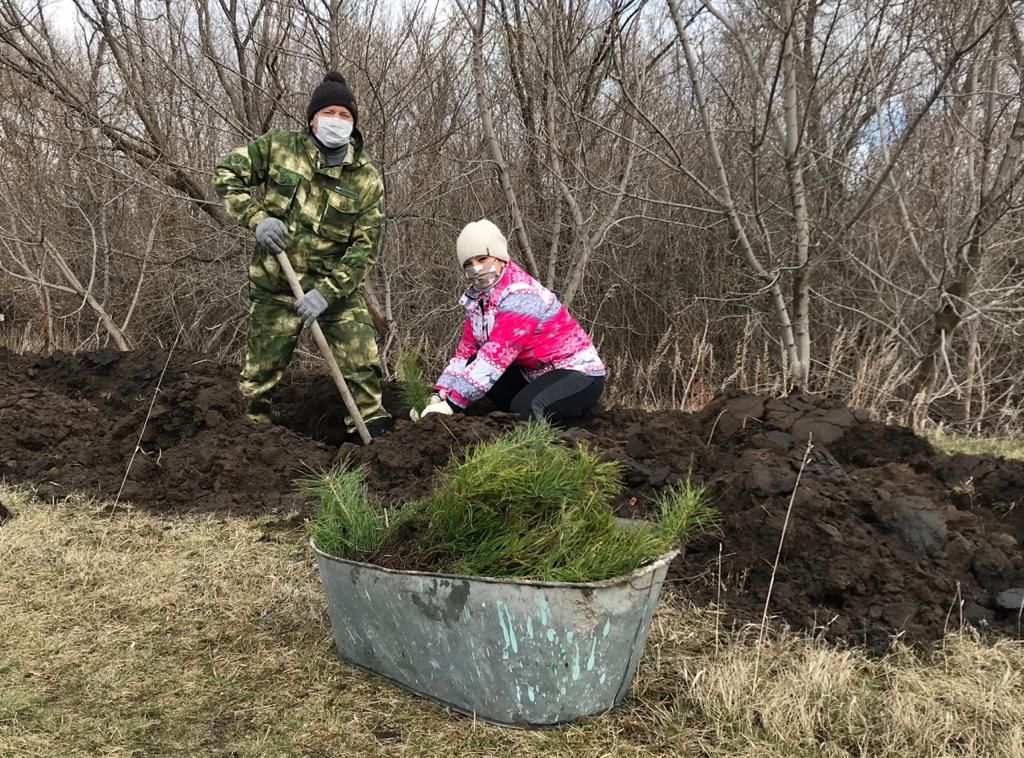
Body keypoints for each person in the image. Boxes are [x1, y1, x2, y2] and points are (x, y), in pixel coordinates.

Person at [213, 72, 391, 441]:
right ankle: (250, 444)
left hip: (335, 294)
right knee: (258, 380)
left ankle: (373, 445)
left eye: (345, 115)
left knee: (362, 369)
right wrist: (257, 218)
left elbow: (364, 249)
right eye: (329, 112)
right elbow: (227, 173)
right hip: (277, 287)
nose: (337, 121)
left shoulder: (367, 179)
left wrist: (326, 294)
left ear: (354, 122)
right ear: (312, 118)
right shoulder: (279, 148)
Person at [414, 219, 606, 424]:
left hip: (576, 373)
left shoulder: (521, 295)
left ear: (499, 257)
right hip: (533, 374)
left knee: (526, 409)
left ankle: (557, 433)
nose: (476, 268)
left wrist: (452, 405)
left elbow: (497, 355)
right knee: (474, 365)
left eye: (482, 258)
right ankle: (551, 414)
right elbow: (467, 352)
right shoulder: (478, 300)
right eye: (469, 264)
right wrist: (441, 393)